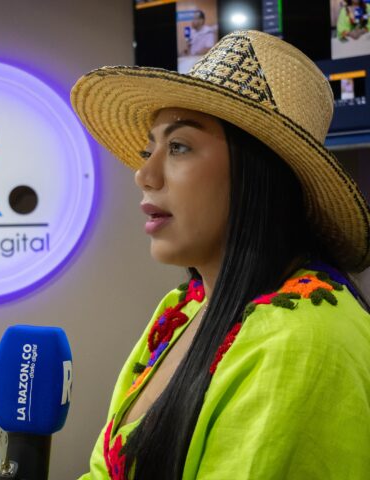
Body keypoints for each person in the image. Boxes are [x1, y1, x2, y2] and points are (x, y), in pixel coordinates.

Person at [71, 30, 370, 479]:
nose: (144, 175)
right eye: (149, 150)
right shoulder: (184, 308)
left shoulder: (304, 339)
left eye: (178, 147)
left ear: (258, 173)